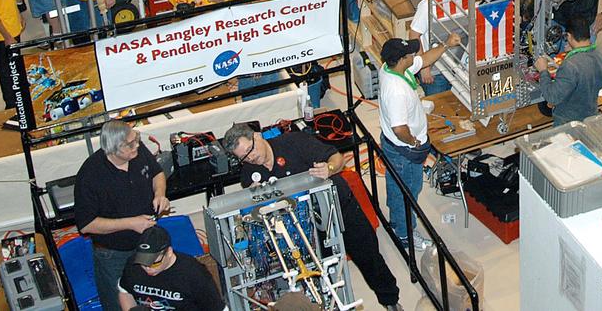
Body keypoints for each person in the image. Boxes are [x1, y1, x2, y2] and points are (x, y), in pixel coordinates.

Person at [222, 124, 403, 311]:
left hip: (339, 206)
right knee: (320, 270)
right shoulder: (249, 174)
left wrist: (329, 168)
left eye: (250, 150)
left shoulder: (294, 142)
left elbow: (337, 159)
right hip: (308, 226)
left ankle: (390, 300)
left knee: (368, 256)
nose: (250, 157)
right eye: (244, 157)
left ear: (258, 136)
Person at [73, 120, 168, 311]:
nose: (138, 146)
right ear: (114, 149)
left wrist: (160, 194)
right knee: (118, 302)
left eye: (137, 139)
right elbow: (86, 224)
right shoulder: (90, 176)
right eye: (131, 144)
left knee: (156, 296)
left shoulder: (138, 153)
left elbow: (157, 173)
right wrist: (130, 223)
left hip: (146, 240)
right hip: (113, 253)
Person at [378, 35, 462, 249]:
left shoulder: (392, 68)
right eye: (410, 53)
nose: (414, 54)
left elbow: (424, 60)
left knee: (396, 186)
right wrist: (415, 143)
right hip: (404, 150)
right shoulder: (396, 91)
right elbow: (399, 129)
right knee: (407, 190)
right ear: (402, 59)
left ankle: (398, 221)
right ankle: (405, 235)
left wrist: (445, 45)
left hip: (395, 146)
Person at [116, 225, 224, 311]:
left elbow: (217, 308)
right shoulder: (133, 265)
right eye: (143, 263)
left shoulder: (193, 273)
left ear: (169, 252)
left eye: (154, 263)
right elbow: (125, 292)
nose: (147, 268)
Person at [535, 16, 602, 127]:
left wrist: (543, 71)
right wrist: (574, 51)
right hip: (590, 114)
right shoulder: (601, 53)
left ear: (569, 36)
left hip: (568, 123)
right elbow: (601, 81)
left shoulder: (570, 65)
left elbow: (552, 97)